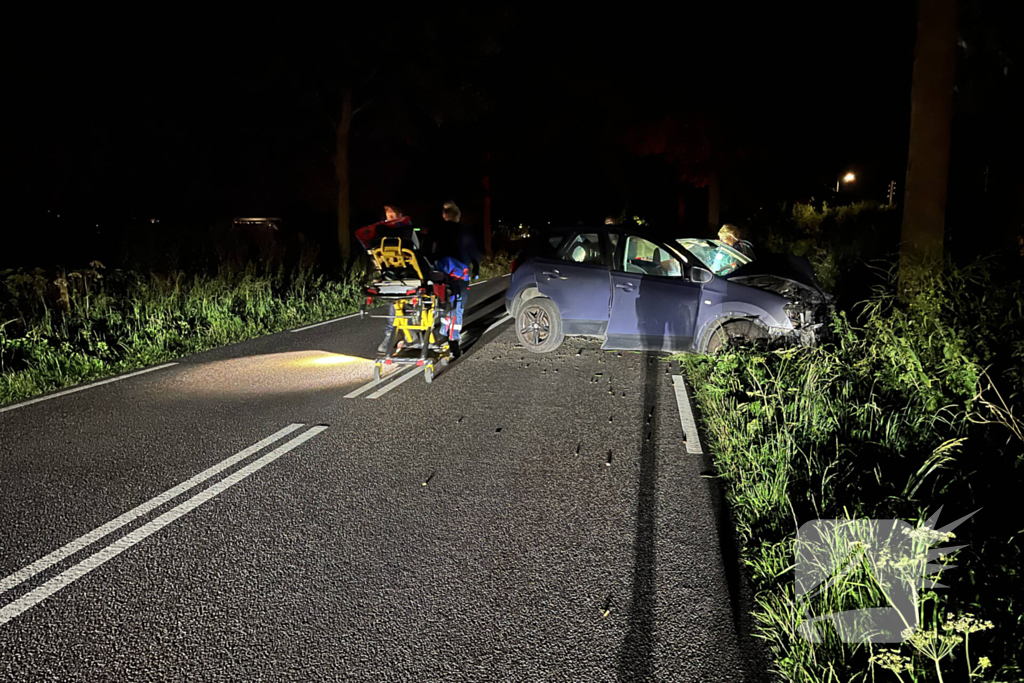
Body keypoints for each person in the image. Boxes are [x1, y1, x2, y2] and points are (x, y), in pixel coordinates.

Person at [425, 201, 481, 353]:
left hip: (439, 274)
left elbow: (426, 250)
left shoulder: (435, 230)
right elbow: (474, 252)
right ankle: (453, 338)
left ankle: (444, 329)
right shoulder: (464, 231)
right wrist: (476, 268)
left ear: (444, 215)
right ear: (458, 216)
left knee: (443, 300)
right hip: (459, 274)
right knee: (458, 303)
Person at [376, 205, 413, 353]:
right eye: (387, 217)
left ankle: (408, 335)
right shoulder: (383, 234)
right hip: (393, 275)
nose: (388, 220)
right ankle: (392, 335)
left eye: (391, 216)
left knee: (410, 305)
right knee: (395, 301)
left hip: (410, 274)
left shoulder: (407, 231)